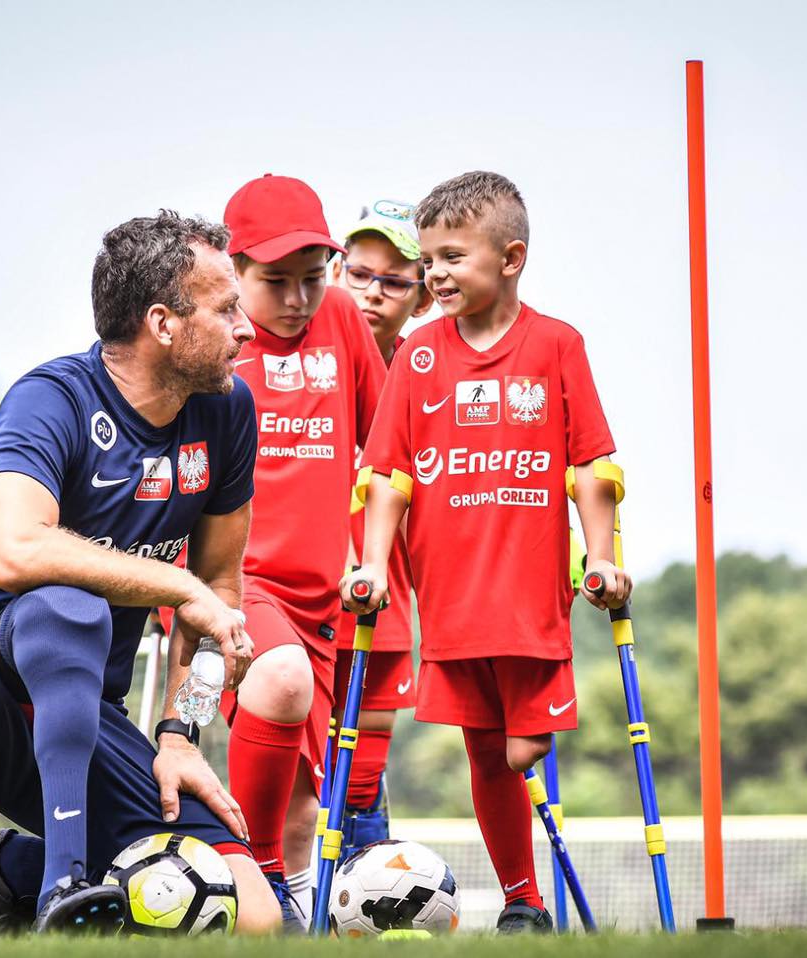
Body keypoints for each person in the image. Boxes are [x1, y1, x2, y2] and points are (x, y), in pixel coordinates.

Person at [0, 211, 281, 935]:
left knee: (254, 916)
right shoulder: (51, 400)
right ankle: (62, 892)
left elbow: (219, 594)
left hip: (85, 715)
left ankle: (12, 871)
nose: (248, 325)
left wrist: (179, 734)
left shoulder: (228, 412)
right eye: (227, 306)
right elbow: (12, 551)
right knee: (67, 606)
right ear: (163, 323)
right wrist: (176, 585)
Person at [341, 171, 632, 933]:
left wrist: (601, 559)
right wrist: (372, 565)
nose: (433, 275)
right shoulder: (420, 356)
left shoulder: (558, 345)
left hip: (532, 597)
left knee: (520, 748)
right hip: (451, 597)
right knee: (484, 748)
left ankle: (525, 890)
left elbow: (592, 466)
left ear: (510, 259)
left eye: (450, 257)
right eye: (427, 261)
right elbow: (386, 475)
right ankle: (522, 903)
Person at [219, 174, 386, 926]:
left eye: (312, 279)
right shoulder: (215, 341)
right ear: (234, 270)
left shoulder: (344, 316)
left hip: (330, 596)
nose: (297, 300)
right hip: (233, 585)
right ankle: (251, 878)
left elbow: (386, 448)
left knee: (306, 800)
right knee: (279, 679)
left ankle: (272, 916)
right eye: (275, 282)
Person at [328, 200, 432, 857]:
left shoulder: (429, 378)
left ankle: (362, 903)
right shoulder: (295, 360)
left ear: (422, 296)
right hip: (283, 601)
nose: (373, 293)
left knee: (360, 779)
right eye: (359, 273)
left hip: (382, 605)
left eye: (394, 281)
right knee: (286, 767)